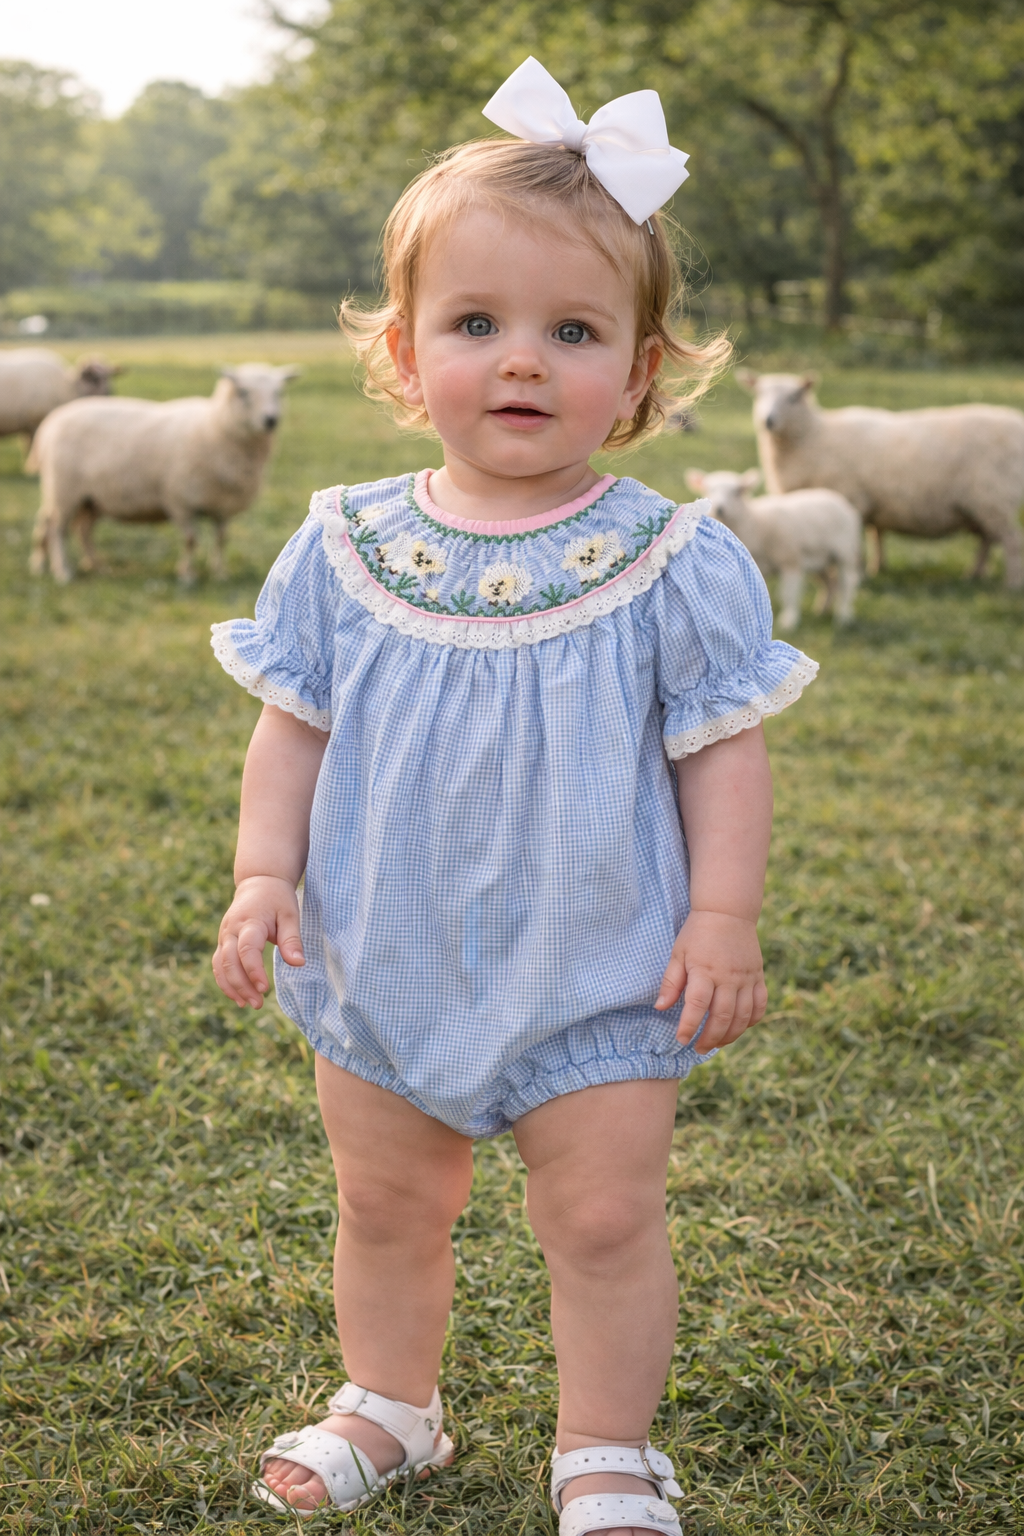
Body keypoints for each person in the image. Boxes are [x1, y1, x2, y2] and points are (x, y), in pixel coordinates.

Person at [210, 57, 817, 1536]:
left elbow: (722, 747)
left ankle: (604, 1447)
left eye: (573, 330)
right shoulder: (344, 545)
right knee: (387, 1203)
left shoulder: (670, 557)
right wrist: (261, 876)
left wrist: (724, 913)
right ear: (409, 358)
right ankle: (389, 1405)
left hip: (601, 960)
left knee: (603, 1216)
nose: (524, 360)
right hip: (383, 948)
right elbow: (291, 730)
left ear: (643, 372)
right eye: (476, 325)